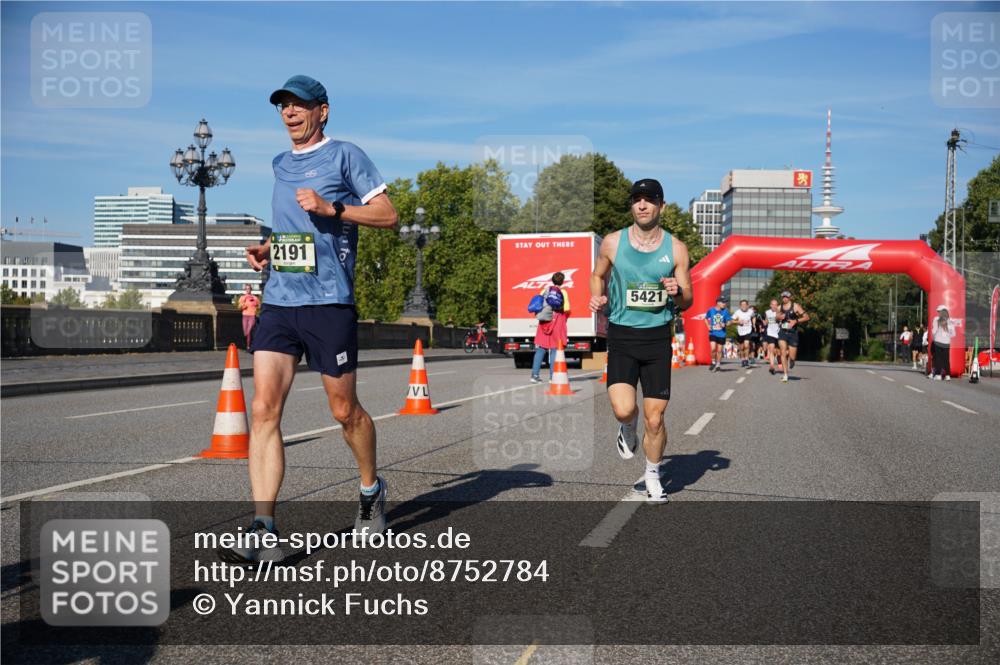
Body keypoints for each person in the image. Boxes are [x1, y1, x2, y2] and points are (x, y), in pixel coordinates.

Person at [220, 75, 398, 564]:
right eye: (283, 106)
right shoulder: (280, 164)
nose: (289, 112)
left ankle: (370, 489)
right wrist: (269, 247)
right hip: (279, 301)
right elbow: (294, 228)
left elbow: (388, 215)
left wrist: (333, 208)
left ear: (323, 110)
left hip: (328, 302)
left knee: (344, 411)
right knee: (263, 410)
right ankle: (263, 528)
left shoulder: (345, 156)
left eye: (299, 105)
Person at [588, 178, 693, 504]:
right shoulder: (612, 243)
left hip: (657, 339)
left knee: (655, 419)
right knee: (623, 410)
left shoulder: (676, 248)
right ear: (632, 205)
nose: (643, 205)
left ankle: (653, 475)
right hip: (622, 335)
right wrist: (597, 296)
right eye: (637, 200)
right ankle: (627, 427)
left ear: (661, 206)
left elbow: (688, 299)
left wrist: (677, 292)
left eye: (649, 200)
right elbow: (597, 275)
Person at [531, 273, 570, 383]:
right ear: (562, 281)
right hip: (557, 321)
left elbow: (539, 305)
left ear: (552, 280)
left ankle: (534, 375)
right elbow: (567, 309)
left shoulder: (544, 291)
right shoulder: (563, 292)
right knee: (555, 349)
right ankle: (552, 377)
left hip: (544, 321)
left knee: (541, 348)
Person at [776, 290, 809, 383]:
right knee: (783, 353)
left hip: (793, 333)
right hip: (782, 332)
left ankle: (792, 360)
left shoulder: (795, 306)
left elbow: (807, 317)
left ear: (790, 297)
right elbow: (776, 318)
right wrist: (779, 317)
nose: (785, 298)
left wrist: (796, 321)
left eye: (786, 297)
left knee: (792, 356)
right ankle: (785, 375)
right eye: (783, 297)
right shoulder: (779, 307)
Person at [704, 296, 731, 371]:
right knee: (713, 349)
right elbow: (705, 318)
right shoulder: (711, 310)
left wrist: (725, 324)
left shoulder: (725, 311)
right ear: (718, 303)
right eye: (723, 302)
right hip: (713, 333)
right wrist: (708, 326)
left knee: (719, 350)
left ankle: (718, 364)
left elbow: (729, 321)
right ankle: (713, 362)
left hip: (722, 333)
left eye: (725, 302)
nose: (725, 304)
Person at [930, 305, 953, 381]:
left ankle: (938, 375)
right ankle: (948, 375)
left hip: (938, 342)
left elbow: (934, 331)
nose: (938, 313)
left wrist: (934, 337)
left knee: (938, 358)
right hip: (947, 343)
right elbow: (952, 333)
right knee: (946, 359)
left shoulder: (936, 319)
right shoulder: (950, 321)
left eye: (939, 311)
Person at [733, 299, 755, 368]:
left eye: (745, 304)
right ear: (740, 306)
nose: (744, 306)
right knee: (741, 347)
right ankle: (743, 359)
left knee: (746, 345)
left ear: (747, 305)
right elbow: (732, 321)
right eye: (742, 305)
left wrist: (753, 324)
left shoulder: (751, 311)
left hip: (748, 330)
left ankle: (746, 359)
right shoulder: (737, 312)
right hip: (740, 332)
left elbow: (753, 317)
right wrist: (738, 322)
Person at [238, 284, 260, 349]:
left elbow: (259, 305)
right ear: (245, 290)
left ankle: (248, 346)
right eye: (246, 289)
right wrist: (244, 304)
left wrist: (256, 306)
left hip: (252, 315)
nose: (248, 290)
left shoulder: (255, 298)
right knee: (245, 331)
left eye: (249, 289)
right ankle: (246, 344)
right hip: (245, 315)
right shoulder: (242, 297)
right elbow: (239, 307)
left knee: (249, 330)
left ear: (251, 289)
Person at [763, 298, 781, 375]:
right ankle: (772, 366)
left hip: (779, 333)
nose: (774, 306)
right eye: (773, 305)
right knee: (771, 349)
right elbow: (766, 321)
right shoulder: (767, 312)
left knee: (779, 352)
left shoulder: (780, 312)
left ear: (777, 306)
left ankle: (779, 361)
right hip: (770, 333)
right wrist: (765, 322)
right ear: (770, 305)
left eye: (775, 305)